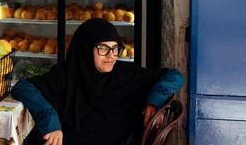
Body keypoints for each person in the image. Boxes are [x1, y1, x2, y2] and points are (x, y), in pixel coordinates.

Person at [12, 18, 184, 145]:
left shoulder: (127, 75)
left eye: (115, 48)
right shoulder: (65, 76)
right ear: (85, 50)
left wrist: (154, 101)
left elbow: (175, 76)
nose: (111, 55)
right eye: (103, 48)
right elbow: (23, 87)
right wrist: (50, 121)